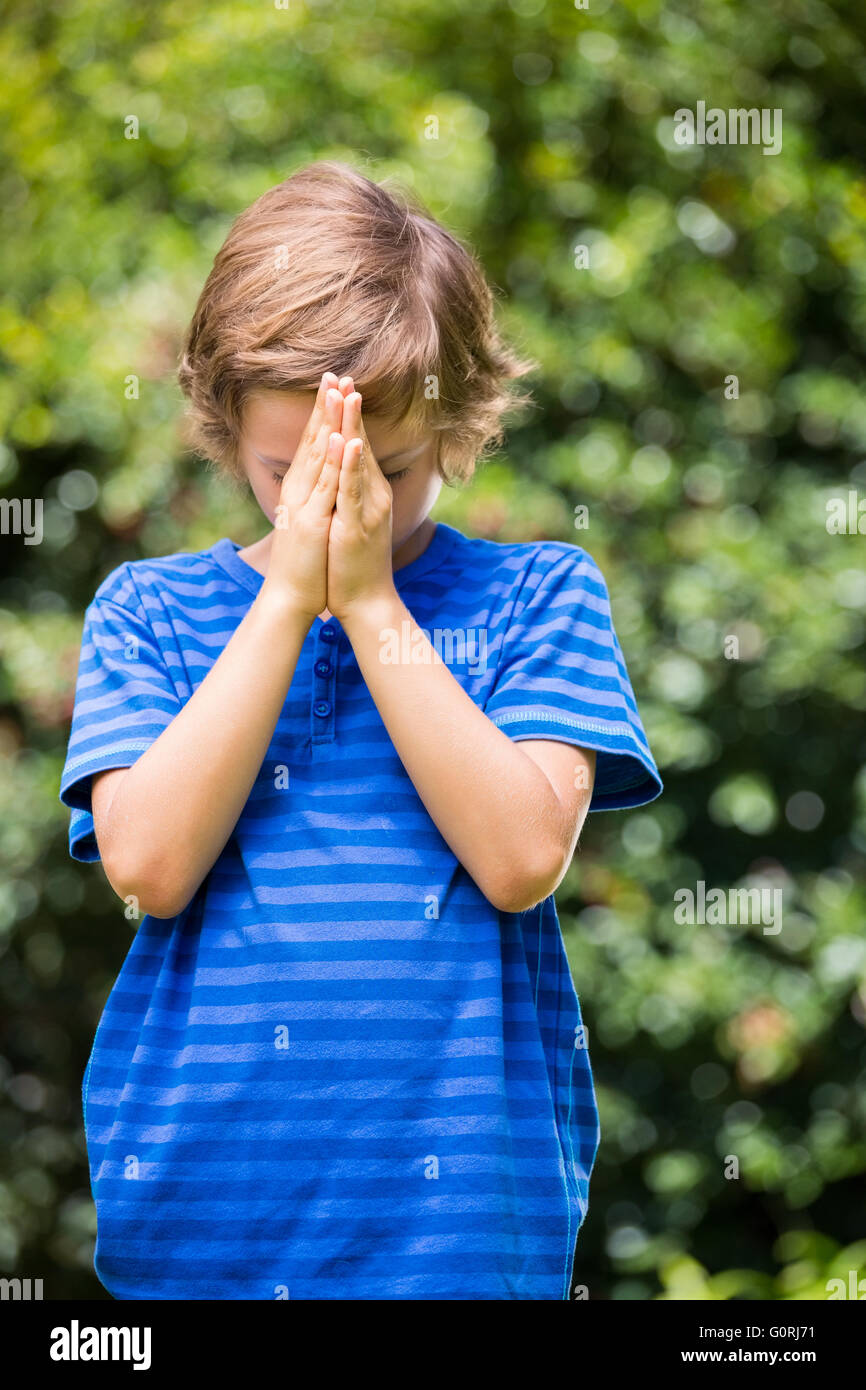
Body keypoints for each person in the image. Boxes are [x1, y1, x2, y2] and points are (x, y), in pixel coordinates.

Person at [59, 160, 663, 1300]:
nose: (334, 509)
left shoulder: (536, 597)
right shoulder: (151, 611)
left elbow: (522, 857)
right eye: (289, 475)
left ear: (458, 424)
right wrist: (291, 598)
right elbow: (148, 865)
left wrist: (373, 607)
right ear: (220, 420)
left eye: (383, 471)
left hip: (457, 1238)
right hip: (202, 1225)